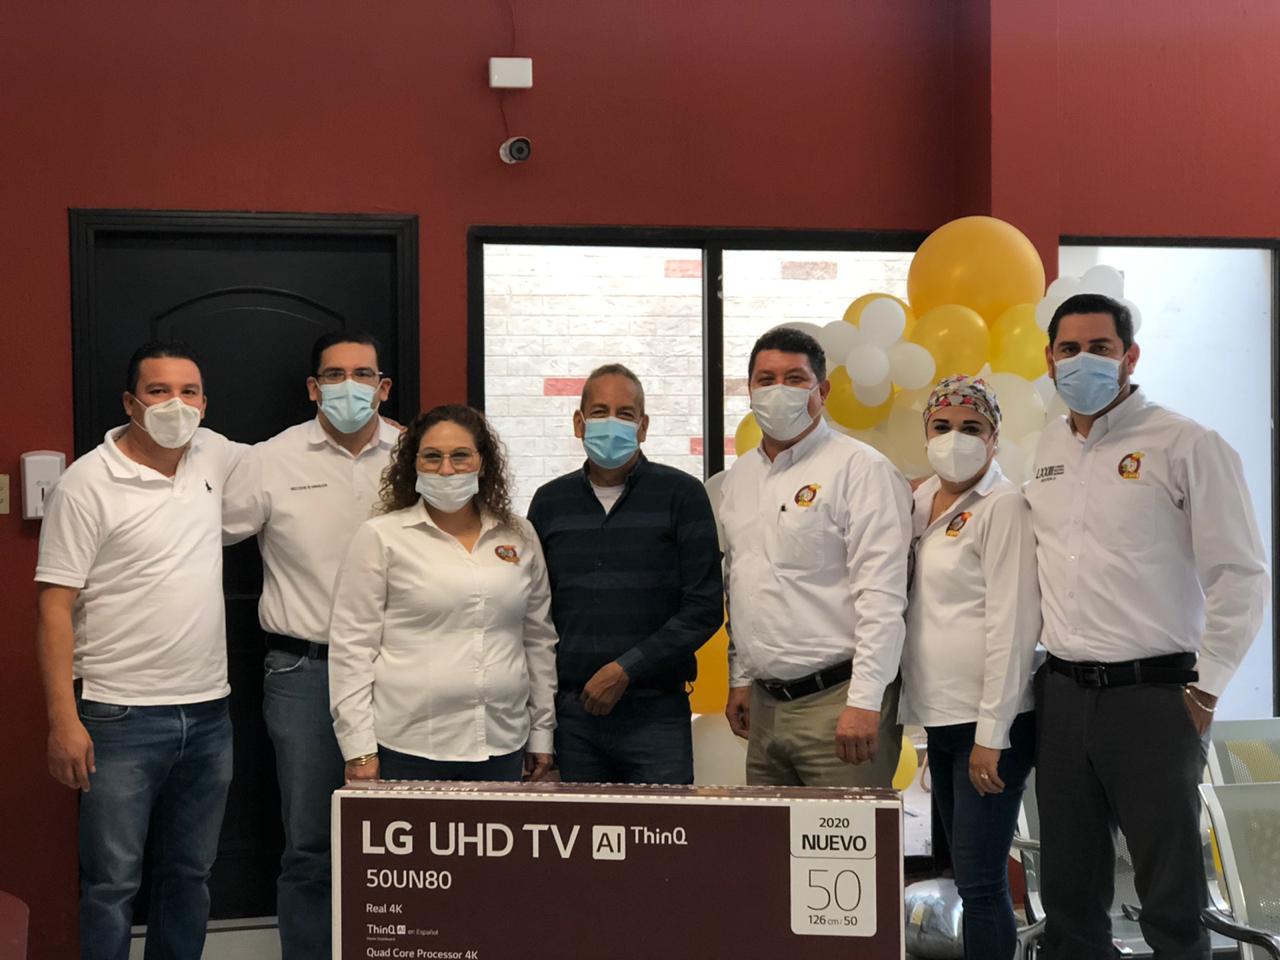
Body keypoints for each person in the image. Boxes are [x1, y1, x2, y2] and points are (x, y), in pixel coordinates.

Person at [1026, 293, 1269, 959]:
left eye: (1100, 348)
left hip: (1155, 697)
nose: (1083, 360)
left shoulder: (1187, 444)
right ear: (1049, 360)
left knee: (1170, 895)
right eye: (1069, 349)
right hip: (1063, 694)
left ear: (1130, 356)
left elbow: (1241, 574)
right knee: (1069, 893)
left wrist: (1208, 687)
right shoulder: (1046, 448)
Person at [35, 341, 245, 960]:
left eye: (188, 392)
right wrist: (63, 721)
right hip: (118, 716)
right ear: (131, 403)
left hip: (209, 714)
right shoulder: (86, 483)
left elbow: (289, 459)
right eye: (158, 391)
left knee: (191, 875)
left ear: (204, 404)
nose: (175, 404)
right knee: (111, 885)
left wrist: (390, 433)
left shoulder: (212, 454)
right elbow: (53, 608)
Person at [222, 330, 397, 960]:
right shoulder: (271, 460)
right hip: (305, 672)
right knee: (311, 845)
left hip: (400, 671)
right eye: (334, 374)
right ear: (313, 388)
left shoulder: (414, 456)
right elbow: (195, 536)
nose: (349, 386)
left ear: (383, 387)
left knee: (400, 838)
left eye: (363, 374)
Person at [720, 326, 911, 786]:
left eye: (794, 379)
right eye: (766, 380)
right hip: (764, 708)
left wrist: (865, 701)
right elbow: (742, 583)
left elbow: (882, 596)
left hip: (840, 704)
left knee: (847, 836)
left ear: (821, 391)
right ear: (750, 391)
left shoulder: (861, 470)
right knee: (769, 834)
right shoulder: (739, 478)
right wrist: (740, 678)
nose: (778, 390)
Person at [328, 405, 557, 783]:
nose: (446, 470)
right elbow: (352, 649)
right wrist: (359, 748)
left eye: (460, 456)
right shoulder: (382, 537)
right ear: (414, 464)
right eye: (432, 457)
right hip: (409, 746)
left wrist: (542, 731)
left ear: (482, 463)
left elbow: (538, 639)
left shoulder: (519, 535)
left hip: (502, 742)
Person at [527, 363, 722, 784]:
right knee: (577, 827)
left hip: (656, 715)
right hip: (573, 718)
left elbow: (704, 607)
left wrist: (627, 669)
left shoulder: (682, 495)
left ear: (643, 426)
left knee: (661, 825)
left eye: (625, 413)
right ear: (579, 423)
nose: (611, 423)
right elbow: (535, 612)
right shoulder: (549, 503)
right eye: (599, 412)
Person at [899, 375, 1039, 960]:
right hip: (940, 718)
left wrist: (992, 735)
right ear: (926, 432)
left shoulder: (1003, 506)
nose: (955, 437)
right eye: (942, 426)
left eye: (971, 427)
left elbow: (1014, 624)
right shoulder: (916, 501)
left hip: (991, 726)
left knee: (981, 884)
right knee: (963, 876)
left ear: (994, 437)